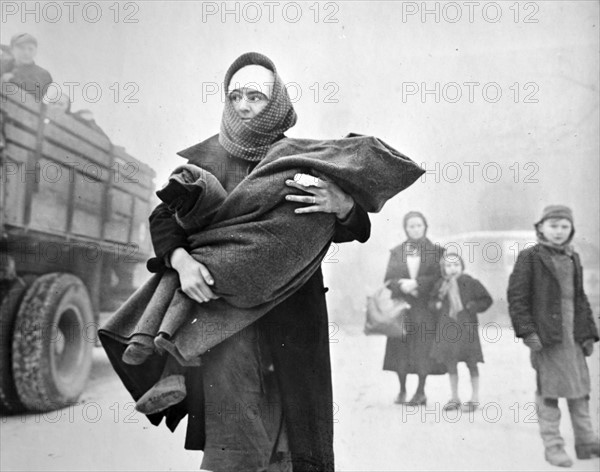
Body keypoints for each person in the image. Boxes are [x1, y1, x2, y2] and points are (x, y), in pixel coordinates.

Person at [100, 52, 403, 472]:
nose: (242, 105)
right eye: (235, 95)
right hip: (223, 318)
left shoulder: (300, 156)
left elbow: (355, 227)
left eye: (256, 97)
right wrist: (183, 261)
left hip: (290, 313)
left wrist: (343, 204)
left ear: (276, 101)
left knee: (292, 430)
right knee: (235, 428)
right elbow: (163, 218)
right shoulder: (206, 161)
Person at [508, 205, 599, 467]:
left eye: (564, 226)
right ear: (541, 228)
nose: (559, 232)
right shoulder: (530, 257)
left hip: (573, 338)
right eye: (553, 226)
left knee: (580, 390)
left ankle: (586, 441)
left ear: (571, 230)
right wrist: (527, 333)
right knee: (549, 392)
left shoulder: (573, 257)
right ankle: (553, 446)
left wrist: (588, 333)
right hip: (546, 339)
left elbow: (580, 298)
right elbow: (517, 299)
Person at [382, 211, 446, 406]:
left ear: (425, 227)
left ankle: (420, 391)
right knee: (400, 349)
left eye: (419, 225)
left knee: (423, 349)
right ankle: (402, 390)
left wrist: (417, 283)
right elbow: (388, 280)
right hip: (403, 308)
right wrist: (401, 285)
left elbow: (440, 277)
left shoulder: (437, 252)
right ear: (405, 228)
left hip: (425, 308)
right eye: (411, 226)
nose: (415, 229)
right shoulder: (397, 252)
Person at [429, 253, 493, 412]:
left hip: (467, 328)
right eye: (449, 266)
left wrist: (473, 306)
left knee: (472, 362)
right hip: (448, 329)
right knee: (451, 363)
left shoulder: (471, 283)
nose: (453, 269)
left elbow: (486, 300)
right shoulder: (440, 285)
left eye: (456, 265)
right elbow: (431, 301)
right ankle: (454, 397)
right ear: (443, 269)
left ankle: (474, 398)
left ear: (462, 266)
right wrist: (435, 305)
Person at [1, 33, 52, 100]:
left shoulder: (43, 73)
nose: (26, 52)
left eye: (30, 49)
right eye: (21, 48)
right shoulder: (4, 64)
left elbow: (37, 90)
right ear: (12, 50)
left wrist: (13, 79)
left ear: (35, 51)